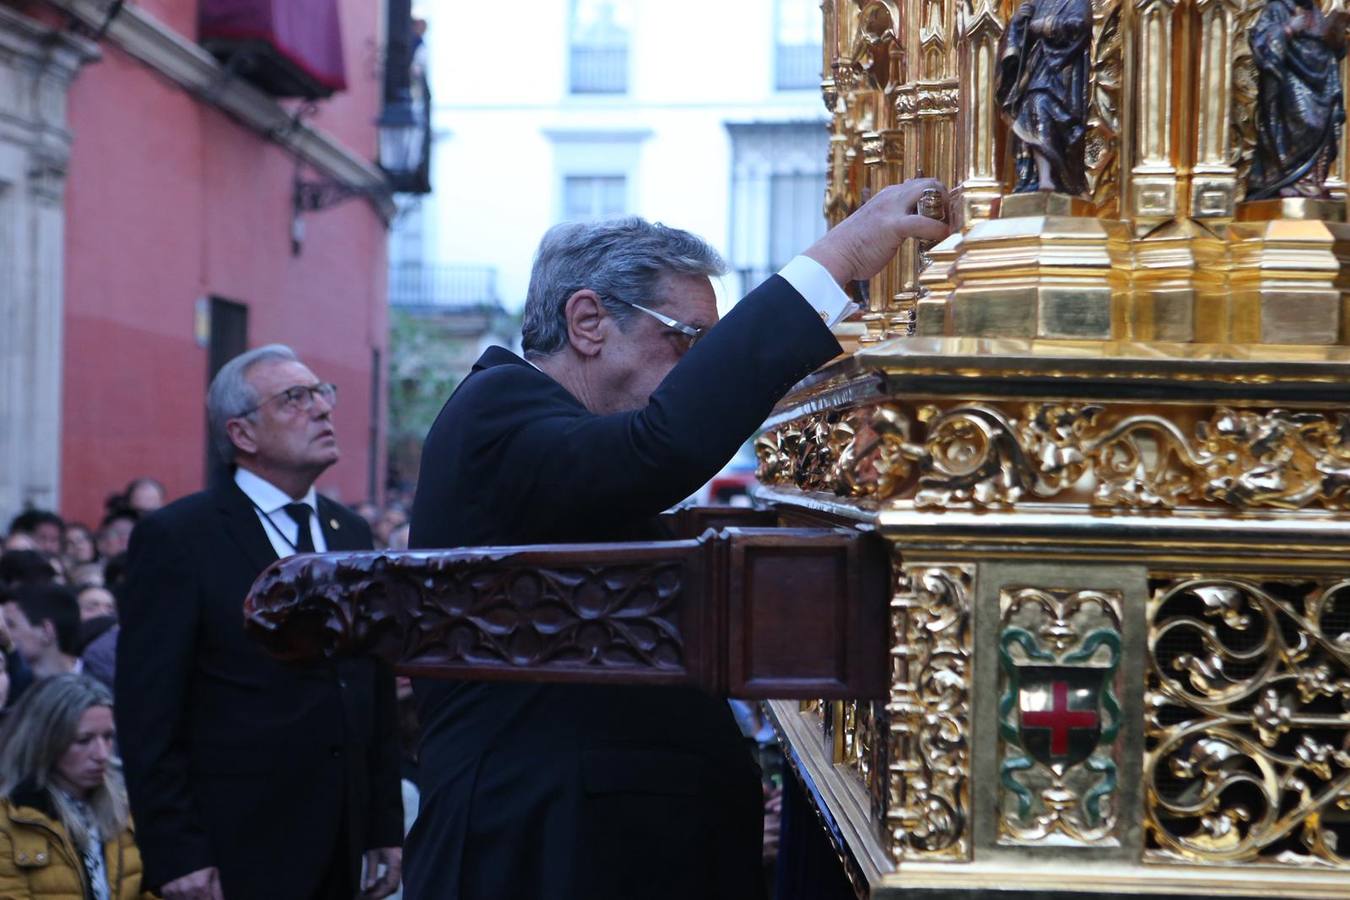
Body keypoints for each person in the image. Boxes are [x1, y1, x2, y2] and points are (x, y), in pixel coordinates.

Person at [406, 180, 949, 900]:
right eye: (687, 338)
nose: (697, 364)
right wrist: (838, 257)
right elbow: (662, 448)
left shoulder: (545, 424)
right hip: (540, 851)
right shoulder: (499, 409)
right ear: (589, 321)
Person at [116, 344, 403, 900]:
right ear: (241, 435)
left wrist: (382, 825)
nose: (321, 408)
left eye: (323, 393)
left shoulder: (351, 533)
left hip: (343, 839)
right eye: (295, 398)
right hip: (235, 846)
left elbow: (374, 687)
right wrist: (176, 851)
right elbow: (148, 710)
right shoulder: (180, 537)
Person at [0, 674, 153, 898]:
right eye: (84, 740)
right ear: (47, 742)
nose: (102, 754)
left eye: (108, 737)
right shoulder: (11, 820)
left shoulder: (127, 812)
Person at [1247, 0, 1349, 199]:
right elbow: (1260, 40)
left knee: (1325, 124)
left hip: (1321, 83)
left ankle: (1312, 180)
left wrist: (1337, 38)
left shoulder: (1317, 13)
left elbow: (1332, 50)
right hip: (1289, 81)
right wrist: (1287, 29)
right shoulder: (1277, 9)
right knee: (1306, 122)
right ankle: (1287, 179)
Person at [2, 583, 82, 679]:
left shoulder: (96, 686)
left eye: (11, 625)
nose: (3, 633)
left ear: (46, 631)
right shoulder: (10, 685)